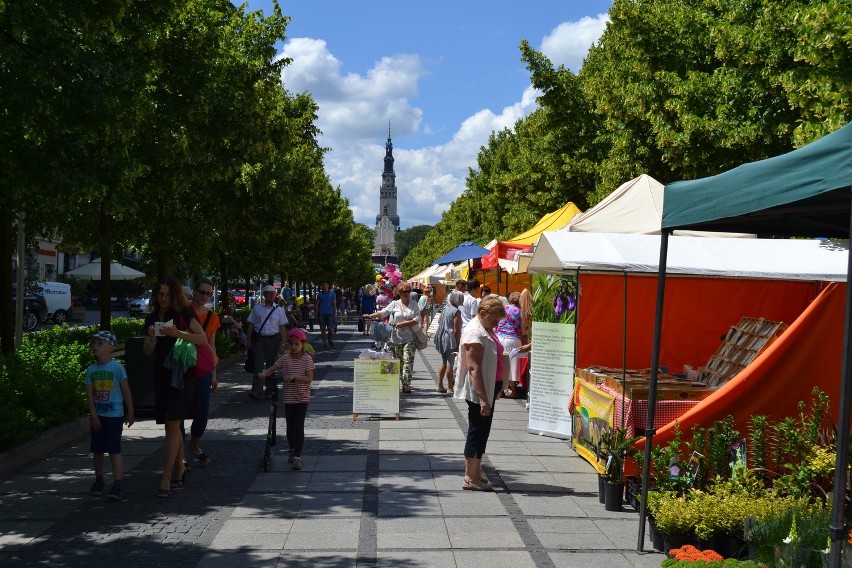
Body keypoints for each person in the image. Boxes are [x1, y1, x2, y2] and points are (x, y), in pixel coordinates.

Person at [143, 275, 208, 499]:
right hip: (162, 375)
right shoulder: (151, 317)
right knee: (172, 425)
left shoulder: (184, 312)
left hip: (182, 375)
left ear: (175, 294)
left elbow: (202, 339)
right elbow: (147, 352)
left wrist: (177, 333)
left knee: (172, 423)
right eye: (160, 294)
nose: (163, 298)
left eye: (167, 294)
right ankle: (180, 466)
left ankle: (166, 476)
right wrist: (151, 337)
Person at [453, 296, 508, 491]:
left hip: (488, 387)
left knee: (483, 431)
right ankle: (469, 477)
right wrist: (484, 399)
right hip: (481, 390)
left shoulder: (484, 329)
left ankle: (476, 473)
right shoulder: (475, 332)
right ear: (482, 313)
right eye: (494, 320)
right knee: (477, 431)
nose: (496, 324)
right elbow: (473, 368)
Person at [85, 330, 134, 502]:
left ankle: (118, 484)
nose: (95, 346)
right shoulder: (91, 370)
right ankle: (99, 480)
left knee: (114, 450)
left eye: (100, 343)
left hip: (114, 415)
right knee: (97, 450)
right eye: (94, 343)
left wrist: (130, 412)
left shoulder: (117, 368)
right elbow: (90, 395)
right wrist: (94, 416)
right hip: (98, 416)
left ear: (111, 348)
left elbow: (126, 391)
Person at [257, 328, 314, 470]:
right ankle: (292, 449)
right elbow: (273, 368)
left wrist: (294, 377)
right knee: (290, 425)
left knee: (299, 426)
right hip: (289, 397)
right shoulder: (286, 358)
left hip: (302, 397)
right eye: (291, 344)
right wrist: (264, 373)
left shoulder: (307, 359)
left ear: (303, 344)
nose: (294, 347)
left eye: (297, 344)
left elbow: (309, 378)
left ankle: (297, 456)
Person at [186, 278, 220, 463]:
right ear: (194, 291)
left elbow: (211, 346)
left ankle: (194, 444)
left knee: (203, 411)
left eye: (209, 293)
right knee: (179, 410)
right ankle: (178, 455)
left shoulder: (211, 316)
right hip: (183, 365)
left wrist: (214, 374)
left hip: (202, 368)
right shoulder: (184, 312)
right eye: (202, 292)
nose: (204, 296)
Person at [365, 283, 420, 393]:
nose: (407, 294)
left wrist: (403, 324)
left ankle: (406, 384)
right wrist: (370, 316)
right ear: (399, 292)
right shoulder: (394, 304)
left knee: (408, 360)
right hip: (395, 338)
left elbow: (417, 319)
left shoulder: (414, 304)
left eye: (408, 292)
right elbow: (383, 313)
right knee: (397, 361)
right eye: (404, 291)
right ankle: (399, 380)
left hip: (409, 337)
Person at [246, 284, 290, 400]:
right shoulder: (257, 309)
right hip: (259, 339)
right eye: (268, 294)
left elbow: (282, 328)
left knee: (271, 365)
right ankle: (256, 391)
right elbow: (251, 325)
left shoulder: (279, 310)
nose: (270, 296)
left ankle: (270, 390)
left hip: (273, 339)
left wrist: (282, 343)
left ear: (275, 295)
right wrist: (249, 341)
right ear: (264, 295)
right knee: (258, 366)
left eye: (272, 294)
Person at [497, 291, 525, 399]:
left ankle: (501, 391)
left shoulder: (504, 308)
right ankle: (513, 391)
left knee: (502, 365)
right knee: (513, 365)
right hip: (513, 339)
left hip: (500, 338)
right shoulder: (520, 312)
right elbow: (522, 329)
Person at [434, 290, 463, 394]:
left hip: (441, 337)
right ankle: (450, 387)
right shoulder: (456, 311)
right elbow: (456, 329)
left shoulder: (446, 308)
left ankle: (440, 385)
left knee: (443, 361)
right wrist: (458, 342)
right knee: (451, 362)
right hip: (450, 338)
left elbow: (439, 321)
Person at [316, 282, 337, 347]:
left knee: (330, 329)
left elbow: (334, 304)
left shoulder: (332, 294)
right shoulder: (319, 294)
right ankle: (325, 342)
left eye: (325, 285)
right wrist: (316, 314)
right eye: (323, 285)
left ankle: (329, 339)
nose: (324, 286)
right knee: (323, 329)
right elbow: (317, 305)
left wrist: (335, 313)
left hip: (330, 313)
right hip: (321, 314)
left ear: (328, 285)